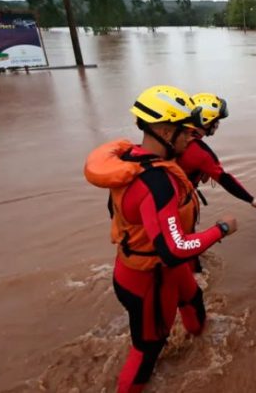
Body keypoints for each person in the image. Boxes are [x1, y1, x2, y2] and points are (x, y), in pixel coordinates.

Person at [84, 85, 239, 393]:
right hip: (146, 280)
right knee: (148, 349)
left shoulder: (132, 160)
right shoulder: (157, 183)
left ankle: (201, 347)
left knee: (193, 300)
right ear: (166, 130)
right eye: (186, 132)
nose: (191, 138)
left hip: (163, 271)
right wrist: (221, 229)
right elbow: (173, 249)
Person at [177, 92, 256, 212]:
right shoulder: (200, 151)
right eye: (216, 121)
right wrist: (252, 200)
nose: (218, 124)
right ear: (206, 122)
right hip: (179, 203)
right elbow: (224, 179)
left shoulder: (177, 137)